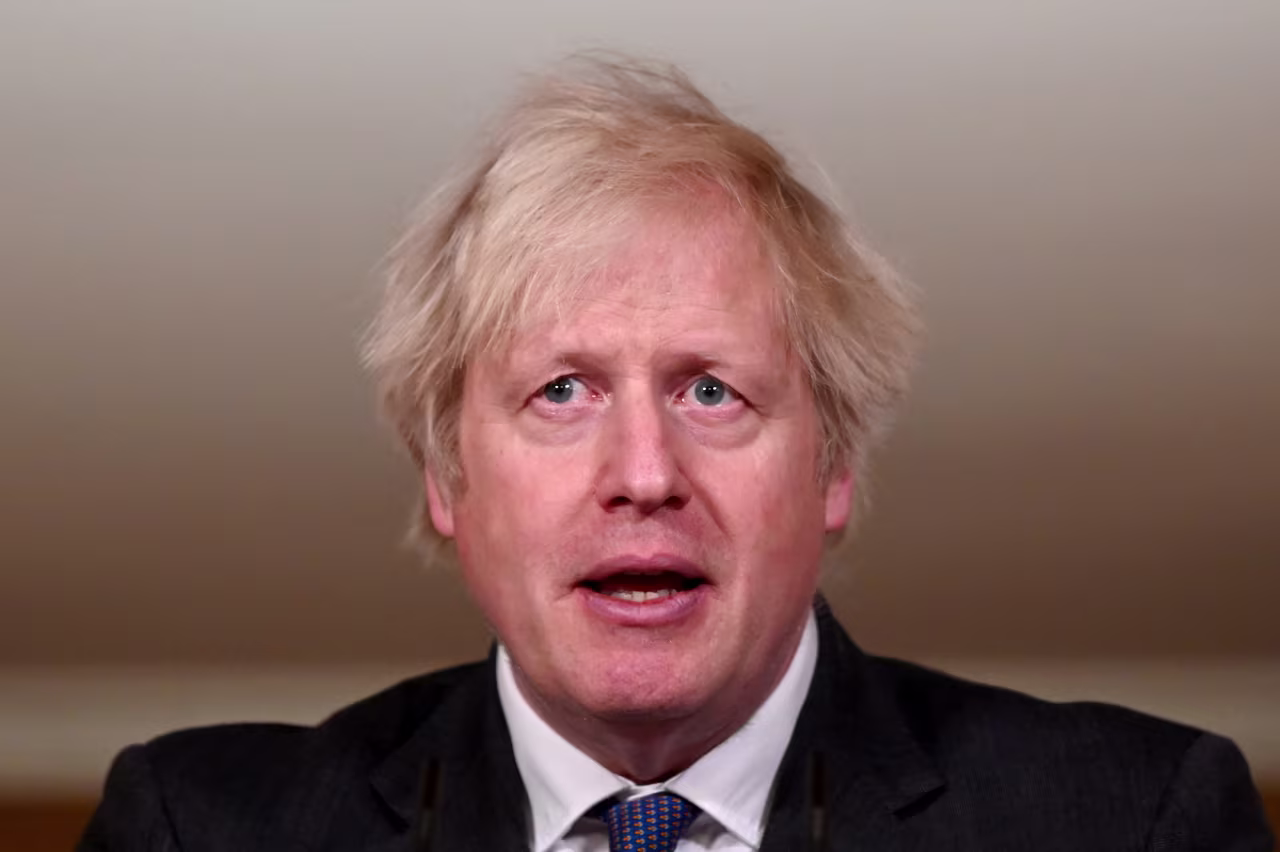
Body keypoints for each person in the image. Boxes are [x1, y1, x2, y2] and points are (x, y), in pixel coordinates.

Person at [79, 57, 1273, 852]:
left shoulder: (1130, 818)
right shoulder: (197, 825)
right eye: (559, 392)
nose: (643, 472)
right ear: (445, 477)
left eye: (711, 390)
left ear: (831, 466)